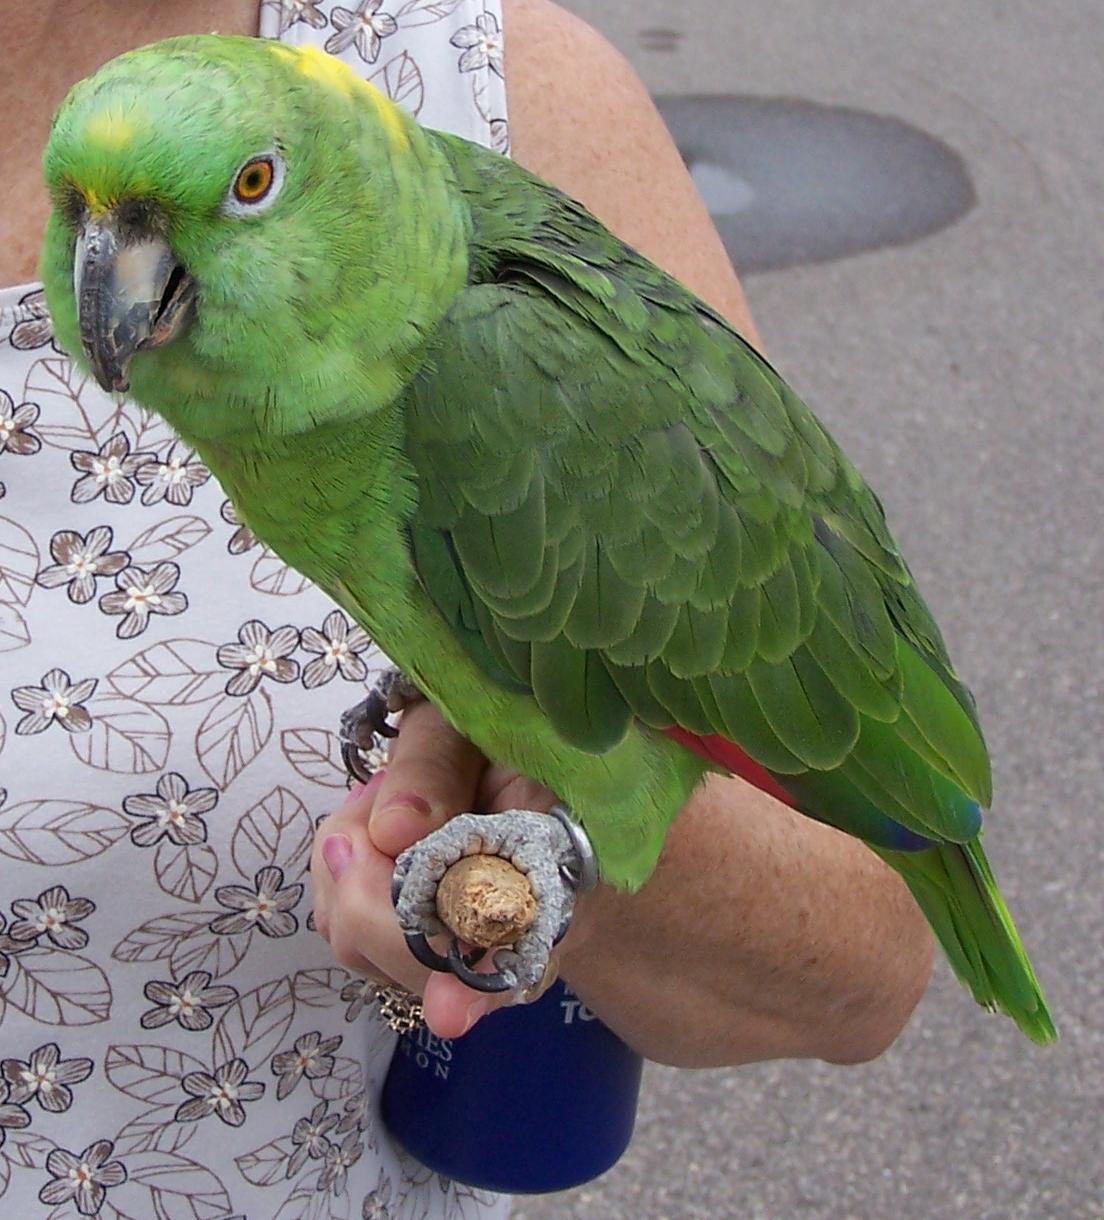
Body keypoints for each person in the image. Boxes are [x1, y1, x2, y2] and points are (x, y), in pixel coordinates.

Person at [1, 0, 933, 1215]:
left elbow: (872, 953)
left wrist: (554, 839)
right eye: (89, 221)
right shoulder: (218, 373)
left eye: (247, 184)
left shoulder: (484, 127)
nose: (126, 270)